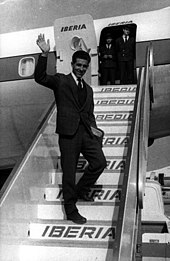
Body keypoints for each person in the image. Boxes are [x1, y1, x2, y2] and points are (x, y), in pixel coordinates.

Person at [34, 34, 107, 224]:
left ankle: (82, 189)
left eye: (84, 66)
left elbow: (89, 114)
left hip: (86, 133)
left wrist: (96, 132)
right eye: (78, 65)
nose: (81, 68)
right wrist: (44, 54)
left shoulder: (89, 90)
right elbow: (40, 77)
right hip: (68, 135)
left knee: (100, 162)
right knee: (68, 173)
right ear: (72, 64)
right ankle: (71, 209)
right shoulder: (61, 81)